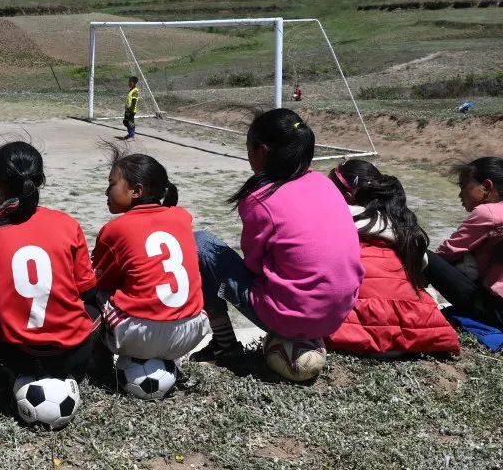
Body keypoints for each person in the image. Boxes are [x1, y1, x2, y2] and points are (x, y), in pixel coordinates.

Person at [193, 109, 364, 360]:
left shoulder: (259, 199)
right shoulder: (325, 184)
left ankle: (224, 343)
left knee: (200, 242)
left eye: (249, 149)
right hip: (337, 316)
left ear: (262, 150)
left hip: (289, 318)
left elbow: (254, 264)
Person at [0, 141, 100, 396]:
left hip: (14, 354)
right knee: (95, 295)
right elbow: (86, 289)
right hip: (72, 353)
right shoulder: (67, 224)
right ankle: (100, 364)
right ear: (40, 180)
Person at [89, 149, 209, 384]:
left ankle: (97, 369)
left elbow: (96, 280)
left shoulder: (115, 229)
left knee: (88, 296)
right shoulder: (182, 216)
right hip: (194, 329)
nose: (106, 191)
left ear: (136, 190)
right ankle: (171, 358)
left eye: (112, 184)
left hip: (141, 334)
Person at [324, 161, 459, 356]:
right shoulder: (405, 227)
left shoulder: (339, 218)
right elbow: (420, 274)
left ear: (346, 196)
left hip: (353, 336)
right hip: (415, 336)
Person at [425, 157, 503, 329]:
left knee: (426, 258)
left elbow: (445, 253)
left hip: (497, 311)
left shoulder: (488, 213)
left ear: (487, 187)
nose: (460, 195)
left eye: (463, 186)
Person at [120, 76, 139, 141]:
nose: (128, 83)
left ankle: (131, 136)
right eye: (129, 82)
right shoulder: (131, 90)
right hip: (128, 109)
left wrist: (130, 110)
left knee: (130, 122)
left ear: (134, 83)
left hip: (131, 110)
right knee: (125, 122)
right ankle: (130, 134)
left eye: (130, 82)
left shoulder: (135, 91)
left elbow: (134, 101)